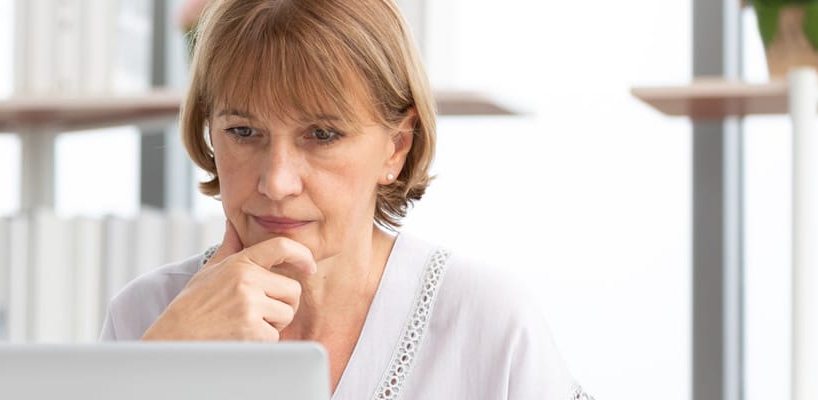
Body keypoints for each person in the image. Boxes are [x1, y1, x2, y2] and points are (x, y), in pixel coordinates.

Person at [100, 0, 592, 399]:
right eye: (243, 131)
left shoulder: (488, 321)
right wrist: (160, 361)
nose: (277, 182)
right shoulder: (148, 315)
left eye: (322, 134)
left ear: (396, 147)